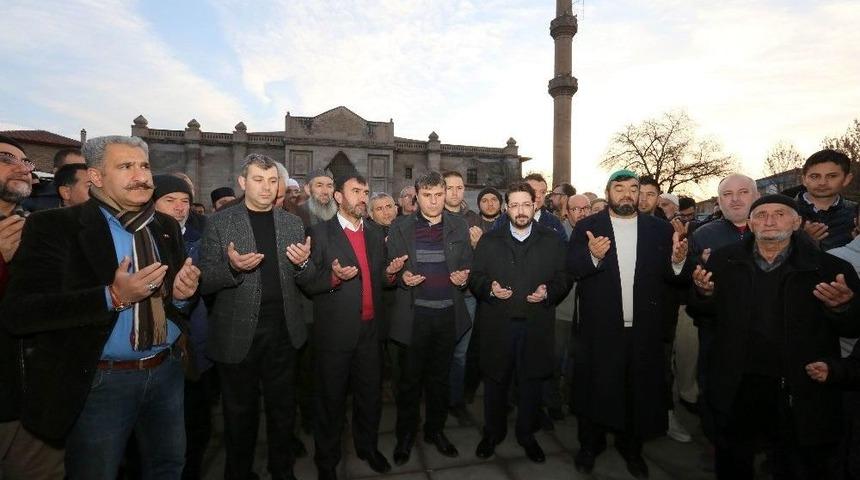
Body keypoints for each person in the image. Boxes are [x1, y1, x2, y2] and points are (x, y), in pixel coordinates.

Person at [1, 135, 201, 479]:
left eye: (144, 166)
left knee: (168, 466)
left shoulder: (164, 227)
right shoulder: (55, 226)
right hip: (99, 381)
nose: (141, 176)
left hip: (165, 373)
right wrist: (112, 296)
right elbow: (22, 312)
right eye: (126, 167)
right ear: (95, 177)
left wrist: (183, 294)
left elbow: (173, 302)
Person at [691, 194, 860, 479]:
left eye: (779, 214)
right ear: (751, 223)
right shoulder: (724, 260)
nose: (769, 220)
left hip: (798, 385)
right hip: (738, 381)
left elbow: (853, 327)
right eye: (761, 214)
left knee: (795, 463)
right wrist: (705, 295)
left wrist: (843, 307)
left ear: (796, 222)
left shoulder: (830, 268)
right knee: (734, 460)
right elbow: (702, 313)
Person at [199, 153, 314, 480]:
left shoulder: (292, 223)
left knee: (282, 412)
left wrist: (304, 264)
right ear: (243, 182)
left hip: (284, 333)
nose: (266, 188)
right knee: (239, 415)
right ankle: (238, 473)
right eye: (258, 180)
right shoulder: (220, 222)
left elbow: (307, 279)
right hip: (237, 334)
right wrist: (232, 268)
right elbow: (205, 280)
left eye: (272, 181)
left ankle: (283, 471)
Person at [568, 169, 690, 479]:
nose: (626, 194)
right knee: (595, 387)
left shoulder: (659, 230)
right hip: (599, 328)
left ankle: (631, 448)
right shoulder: (587, 226)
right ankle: (589, 446)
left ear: (639, 194)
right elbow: (572, 268)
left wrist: (678, 261)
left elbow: (673, 277)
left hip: (643, 329)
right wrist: (593, 257)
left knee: (637, 390)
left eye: (632, 188)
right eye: (618, 188)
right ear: (608, 192)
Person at [302, 174, 407, 479]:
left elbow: (382, 282)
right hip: (335, 334)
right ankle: (327, 461)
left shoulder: (375, 234)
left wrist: (390, 274)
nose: (363, 197)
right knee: (330, 400)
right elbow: (306, 282)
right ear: (338, 197)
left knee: (369, 396)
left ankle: (367, 447)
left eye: (365, 192)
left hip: (371, 332)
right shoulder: (319, 234)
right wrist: (333, 277)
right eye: (355, 191)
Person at [470, 181, 571, 463]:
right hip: (498, 326)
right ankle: (492, 433)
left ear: (535, 204)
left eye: (526, 204)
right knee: (495, 383)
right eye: (514, 205)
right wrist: (490, 288)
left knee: (530, 384)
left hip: (535, 325)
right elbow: (475, 278)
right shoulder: (490, 240)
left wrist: (548, 291)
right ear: (506, 208)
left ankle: (527, 435)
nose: (520, 210)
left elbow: (564, 276)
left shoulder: (551, 239)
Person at [387, 171, 472, 465]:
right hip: (414, 316)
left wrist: (463, 277)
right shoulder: (400, 227)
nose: (434, 202)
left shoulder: (460, 226)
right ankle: (405, 436)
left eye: (439, 195)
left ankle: (435, 431)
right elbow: (391, 267)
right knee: (409, 382)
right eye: (427, 196)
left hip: (448, 314)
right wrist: (402, 276)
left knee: (439, 380)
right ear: (416, 195)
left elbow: (467, 266)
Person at [0, 135, 65, 480]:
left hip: (32, 397)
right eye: (7, 158)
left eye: (26, 163)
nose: (23, 169)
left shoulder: (37, 226)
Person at [686, 174, 759, 445]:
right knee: (715, 388)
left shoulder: (774, 228)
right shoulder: (704, 234)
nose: (736, 199)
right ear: (719, 202)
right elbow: (690, 287)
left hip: (763, 329)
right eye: (727, 194)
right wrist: (702, 286)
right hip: (717, 329)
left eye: (743, 192)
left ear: (756, 196)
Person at [152, 174, 213, 480]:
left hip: (196, 344)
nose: (179, 208)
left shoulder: (202, 238)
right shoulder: (140, 238)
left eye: (185, 201)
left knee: (197, 422)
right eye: (170, 201)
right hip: (155, 349)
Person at [441, 171, 479, 426]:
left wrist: (479, 245)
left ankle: (455, 401)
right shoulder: (431, 217)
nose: (455, 192)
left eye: (459, 187)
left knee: (461, 353)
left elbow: (484, 261)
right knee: (439, 351)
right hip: (438, 296)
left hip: (467, 297)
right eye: (450, 187)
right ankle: (436, 400)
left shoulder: (474, 219)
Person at [797, 149, 857, 250]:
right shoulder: (780, 214)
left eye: (832, 176)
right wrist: (802, 241)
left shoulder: (856, 214)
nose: (822, 182)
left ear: (846, 179)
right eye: (815, 176)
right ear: (804, 180)